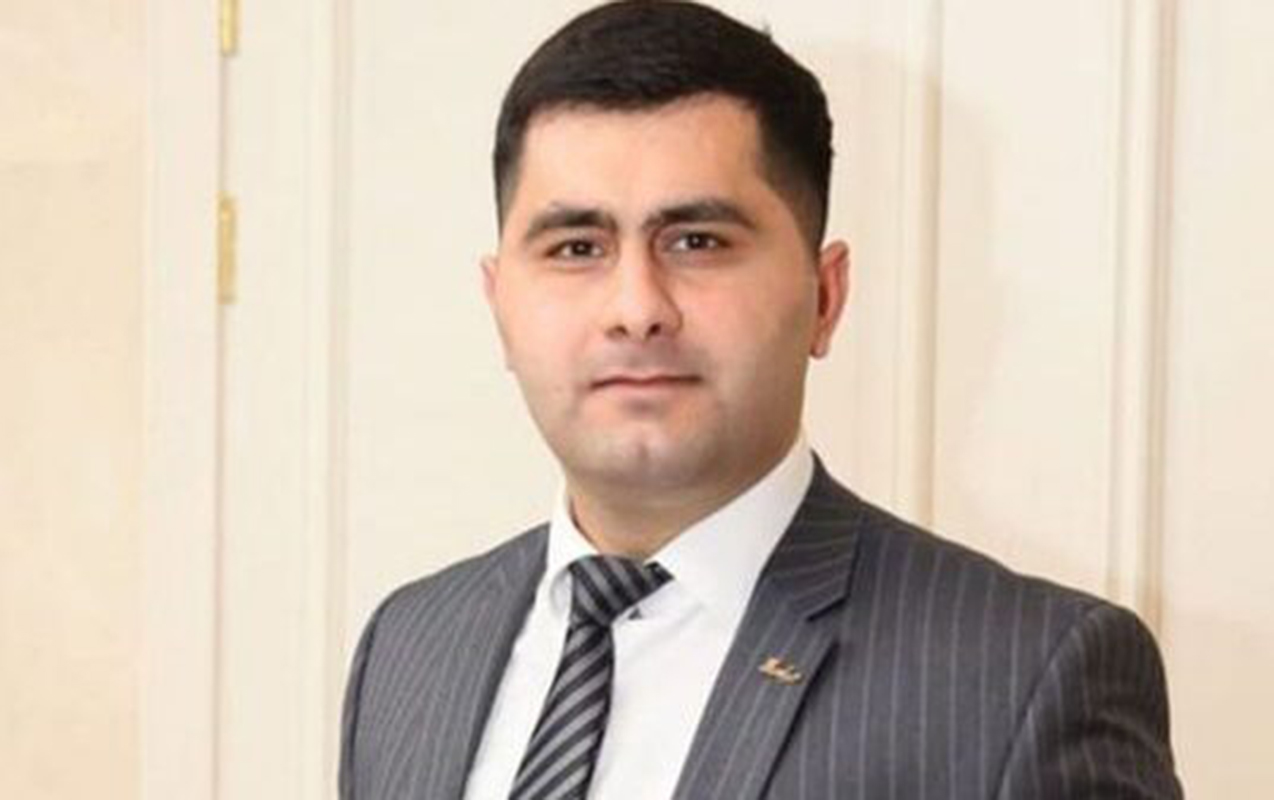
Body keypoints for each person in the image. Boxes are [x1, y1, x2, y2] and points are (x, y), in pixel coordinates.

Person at [339, 2, 1183, 798]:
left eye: (697, 241)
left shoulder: (1024, 677)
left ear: (825, 296)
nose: (636, 308)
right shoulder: (410, 647)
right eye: (576, 247)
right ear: (500, 305)